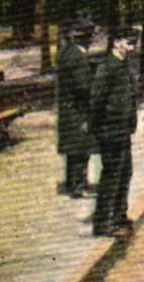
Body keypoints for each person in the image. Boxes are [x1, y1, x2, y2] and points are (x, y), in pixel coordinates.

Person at [88, 31, 139, 237]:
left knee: (125, 172)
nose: (132, 48)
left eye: (134, 43)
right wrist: (97, 130)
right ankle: (103, 223)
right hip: (110, 129)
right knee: (111, 175)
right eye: (129, 42)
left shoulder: (122, 64)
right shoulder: (107, 66)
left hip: (123, 129)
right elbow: (96, 100)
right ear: (116, 41)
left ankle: (119, 216)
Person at [54, 20, 96, 197]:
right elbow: (82, 86)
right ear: (87, 39)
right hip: (77, 109)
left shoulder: (66, 52)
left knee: (73, 148)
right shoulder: (78, 56)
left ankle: (73, 182)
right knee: (81, 147)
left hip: (67, 107)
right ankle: (79, 186)